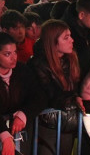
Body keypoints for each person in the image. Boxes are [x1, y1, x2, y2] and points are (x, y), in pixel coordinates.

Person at [28, 20, 84, 155]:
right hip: (47, 124)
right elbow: (49, 95)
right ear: (53, 42)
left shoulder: (71, 60)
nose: (72, 40)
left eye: (70, 36)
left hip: (68, 123)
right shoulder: (37, 64)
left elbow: (74, 88)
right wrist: (74, 98)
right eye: (66, 37)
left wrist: (76, 97)